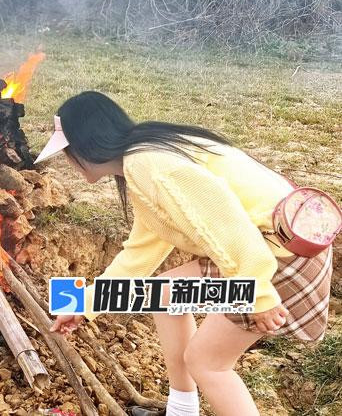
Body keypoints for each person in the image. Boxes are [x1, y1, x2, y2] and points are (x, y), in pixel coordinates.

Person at [34, 91, 334, 416]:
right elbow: (139, 253)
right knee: (163, 296)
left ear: (84, 146)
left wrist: (259, 294)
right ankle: (181, 410)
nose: (69, 162)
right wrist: (84, 304)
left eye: (68, 153)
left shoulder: (150, 164)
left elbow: (226, 223)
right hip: (265, 249)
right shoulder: (141, 161)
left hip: (275, 259)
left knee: (207, 363)